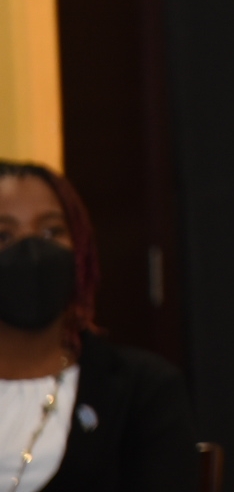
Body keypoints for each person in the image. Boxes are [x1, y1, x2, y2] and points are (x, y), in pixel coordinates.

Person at [0, 161, 197, 490]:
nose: (31, 251)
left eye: (51, 232)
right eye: (3, 235)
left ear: (80, 253)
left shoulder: (143, 390)